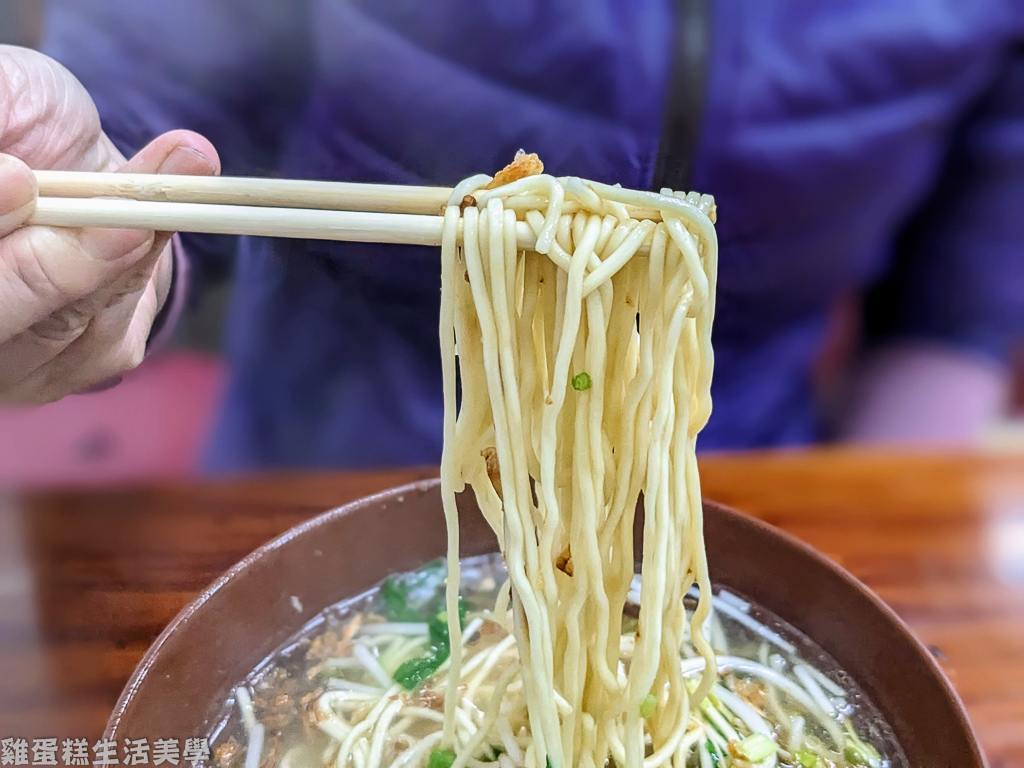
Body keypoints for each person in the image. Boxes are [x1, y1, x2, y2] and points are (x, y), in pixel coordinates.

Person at [0, 1, 1020, 470]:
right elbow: (141, 139)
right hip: (324, 469)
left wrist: (874, 555)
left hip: (732, 484)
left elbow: (958, 302)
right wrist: (93, 264)